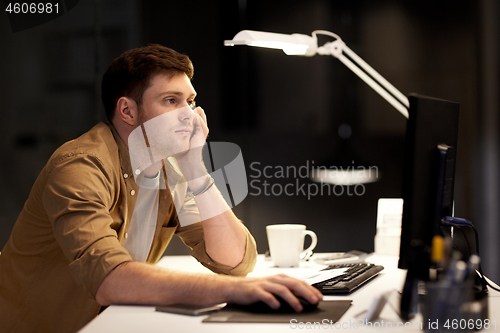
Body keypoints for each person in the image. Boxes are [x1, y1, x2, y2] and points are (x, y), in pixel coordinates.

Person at [0, 44, 322, 333]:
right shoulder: (80, 166)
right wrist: (229, 291)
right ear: (127, 111)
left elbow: (236, 261)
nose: (189, 115)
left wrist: (195, 168)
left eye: (191, 101)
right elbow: (108, 277)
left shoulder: (170, 170)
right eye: (171, 100)